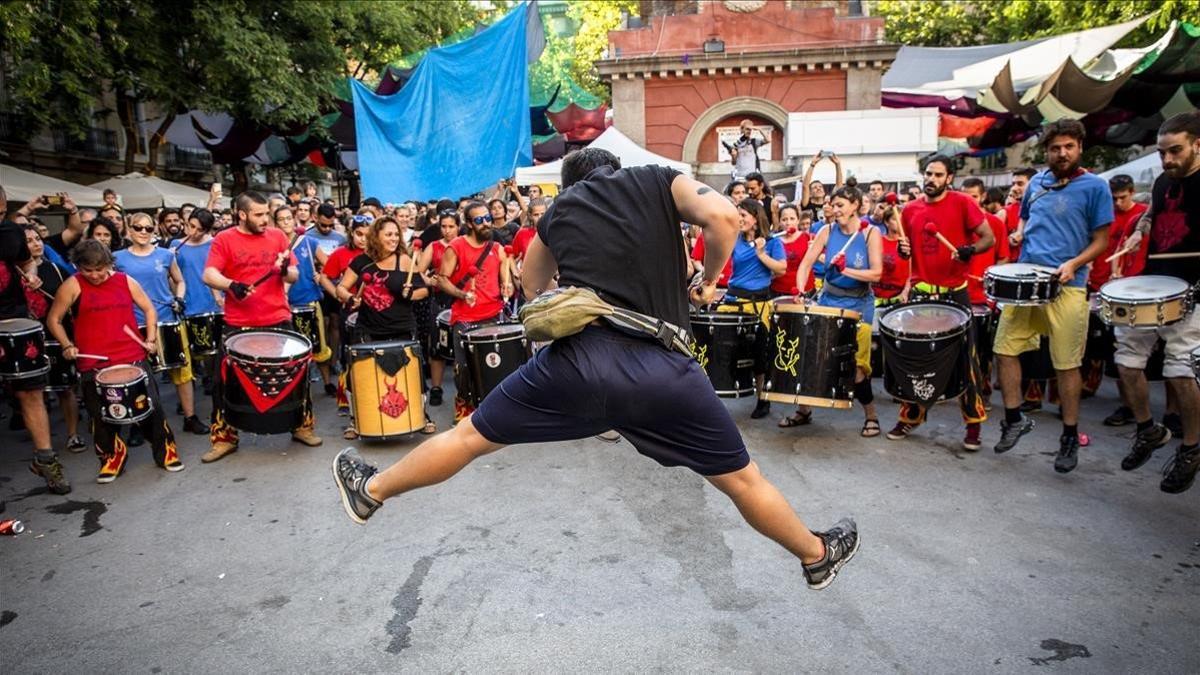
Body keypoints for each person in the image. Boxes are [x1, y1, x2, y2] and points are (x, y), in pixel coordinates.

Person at [332, 148, 860, 590]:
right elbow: (723, 217)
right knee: (743, 481)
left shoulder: (557, 213)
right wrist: (707, 280)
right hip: (664, 371)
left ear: (569, 184)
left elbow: (531, 286)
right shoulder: (654, 180)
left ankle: (372, 491)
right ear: (615, 167)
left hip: (577, 367)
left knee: (472, 437)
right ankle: (815, 555)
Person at [995, 120, 1112, 472]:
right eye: (1055, 148)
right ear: (1046, 151)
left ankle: (1069, 436)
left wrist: (1074, 263)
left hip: (1068, 286)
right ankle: (1014, 419)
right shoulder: (1037, 185)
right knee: (1003, 350)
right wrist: (1018, 235)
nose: (1062, 153)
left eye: (1069, 147)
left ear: (1079, 148)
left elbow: (1102, 240)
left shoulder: (1095, 187)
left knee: (1066, 364)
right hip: (1027, 281)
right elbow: (1026, 222)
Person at [1111, 112, 1200, 493]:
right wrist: (1137, 233)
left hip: (1195, 289)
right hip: (1155, 286)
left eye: (1175, 151)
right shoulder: (1165, 181)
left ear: (1198, 144)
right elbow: (1151, 216)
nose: (1167, 160)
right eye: (1162, 152)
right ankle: (1148, 429)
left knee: (1179, 370)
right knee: (1127, 362)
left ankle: (1192, 448)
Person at [46, 240, 183, 482]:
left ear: (109, 264)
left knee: (150, 407)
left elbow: (149, 310)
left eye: (100, 269)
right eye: (88, 270)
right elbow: (54, 320)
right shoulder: (72, 285)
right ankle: (111, 457)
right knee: (100, 415)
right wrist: (67, 345)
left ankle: (165, 452)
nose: (95, 275)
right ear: (79, 267)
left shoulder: (125, 281)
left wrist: (150, 338)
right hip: (93, 361)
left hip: (131, 355)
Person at [201, 191, 322, 462]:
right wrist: (232, 285)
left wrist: (282, 272)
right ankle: (224, 438)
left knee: (298, 375)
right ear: (242, 214)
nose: (265, 219)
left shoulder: (278, 237)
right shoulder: (225, 239)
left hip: (277, 318)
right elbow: (209, 274)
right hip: (239, 323)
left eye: (266, 213)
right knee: (225, 382)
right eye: (258, 214)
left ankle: (302, 425)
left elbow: (294, 272)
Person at [792, 186, 883, 437]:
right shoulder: (827, 230)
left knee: (858, 367)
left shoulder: (870, 234)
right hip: (828, 299)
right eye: (833, 205)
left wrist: (847, 270)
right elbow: (806, 264)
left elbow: (876, 273)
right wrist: (800, 290)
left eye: (841, 205)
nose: (835, 210)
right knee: (814, 356)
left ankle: (871, 415)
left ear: (855, 205)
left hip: (859, 304)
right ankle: (804, 410)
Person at [335, 216, 436, 439]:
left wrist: (411, 293)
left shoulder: (405, 261)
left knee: (413, 374)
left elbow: (423, 291)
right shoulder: (362, 262)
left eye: (395, 234)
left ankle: (421, 414)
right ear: (376, 236)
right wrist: (351, 299)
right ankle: (356, 419)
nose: (393, 238)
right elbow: (341, 288)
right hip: (368, 327)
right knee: (359, 375)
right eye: (388, 234)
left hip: (402, 326)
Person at [437, 200, 513, 422]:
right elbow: (441, 279)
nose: (486, 223)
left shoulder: (497, 248)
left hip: (494, 314)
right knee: (463, 368)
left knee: (496, 364)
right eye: (479, 220)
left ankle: (496, 408)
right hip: (465, 317)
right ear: (469, 223)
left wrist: (507, 285)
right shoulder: (457, 247)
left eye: (487, 218)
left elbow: (504, 278)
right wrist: (462, 295)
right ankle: (463, 406)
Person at [21, 225, 85, 453]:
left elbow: (77, 301)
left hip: (57, 337)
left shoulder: (57, 270)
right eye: (29, 240)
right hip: (28, 340)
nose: (36, 243)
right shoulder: (12, 273)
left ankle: (73, 434)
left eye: (38, 238)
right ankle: (43, 444)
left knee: (65, 388)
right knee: (33, 394)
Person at [722, 199, 785, 419]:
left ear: (756, 218)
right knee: (723, 350)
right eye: (738, 214)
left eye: (743, 215)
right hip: (733, 301)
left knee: (761, 354)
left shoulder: (772, 242)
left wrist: (761, 254)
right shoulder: (735, 240)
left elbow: (781, 269)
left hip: (759, 305)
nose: (740, 219)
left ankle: (763, 399)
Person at [274, 206, 335, 396]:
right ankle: (297, 388)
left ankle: (326, 382)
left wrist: (322, 276)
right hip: (284, 304)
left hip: (308, 300)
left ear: (294, 220)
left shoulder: (309, 242)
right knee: (291, 350)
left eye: (288, 218)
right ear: (275, 223)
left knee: (318, 344)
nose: (285, 222)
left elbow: (330, 265)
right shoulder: (273, 245)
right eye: (281, 219)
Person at [961, 178, 1011, 404]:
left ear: (982, 197)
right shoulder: (955, 222)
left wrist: (990, 278)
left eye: (972, 196)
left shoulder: (995, 224)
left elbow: (1003, 258)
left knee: (982, 351)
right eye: (964, 196)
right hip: (959, 294)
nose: (967, 201)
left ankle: (982, 392)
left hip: (984, 300)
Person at [319, 213, 372, 416]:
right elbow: (325, 277)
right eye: (359, 234)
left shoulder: (379, 253)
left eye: (367, 235)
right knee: (348, 352)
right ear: (351, 233)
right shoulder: (341, 253)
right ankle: (345, 397)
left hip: (374, 310)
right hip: (349, 310)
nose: (362, 239)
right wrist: (338, 294)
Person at [416, 211, 459, 407]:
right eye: (444, 226)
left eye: (451, 226)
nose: (447, 230)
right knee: (437, 346)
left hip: (461, 300)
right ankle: (436, 387)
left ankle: (464, 388)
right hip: (439, 301)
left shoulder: (464, 244)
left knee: (461, 347)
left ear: (458, 226)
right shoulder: (433, 247)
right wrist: (429, 280)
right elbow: (419, 273)